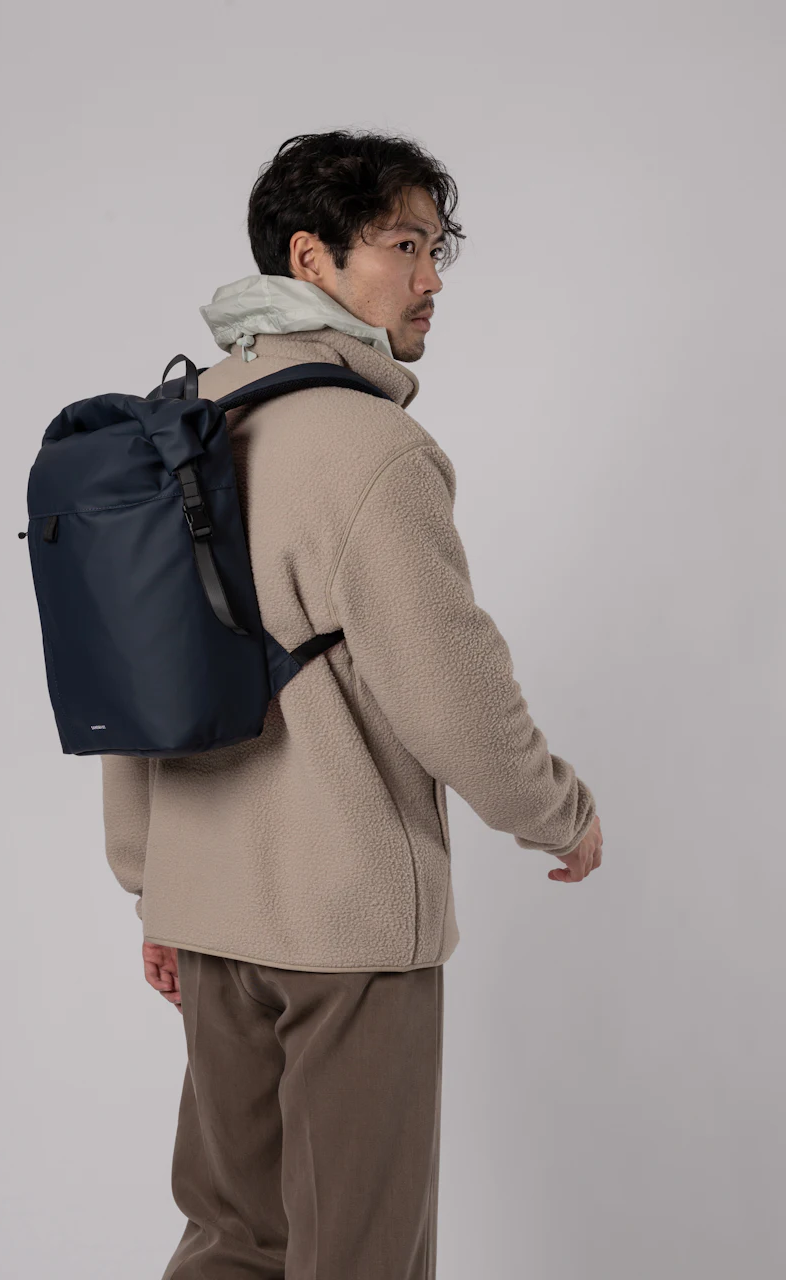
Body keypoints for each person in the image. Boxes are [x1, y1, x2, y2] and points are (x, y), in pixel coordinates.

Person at [101, 128, 603, 1279]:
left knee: (232, 1237)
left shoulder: (170, 430)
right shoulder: (372, 447)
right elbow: (451, 689)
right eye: (403, 245)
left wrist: (150, 882)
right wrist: (558, 811)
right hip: (345, 924)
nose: (431, 279)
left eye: (435, 249)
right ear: (309, 257)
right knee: (359, 1253)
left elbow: (126, 682)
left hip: (205, 912)